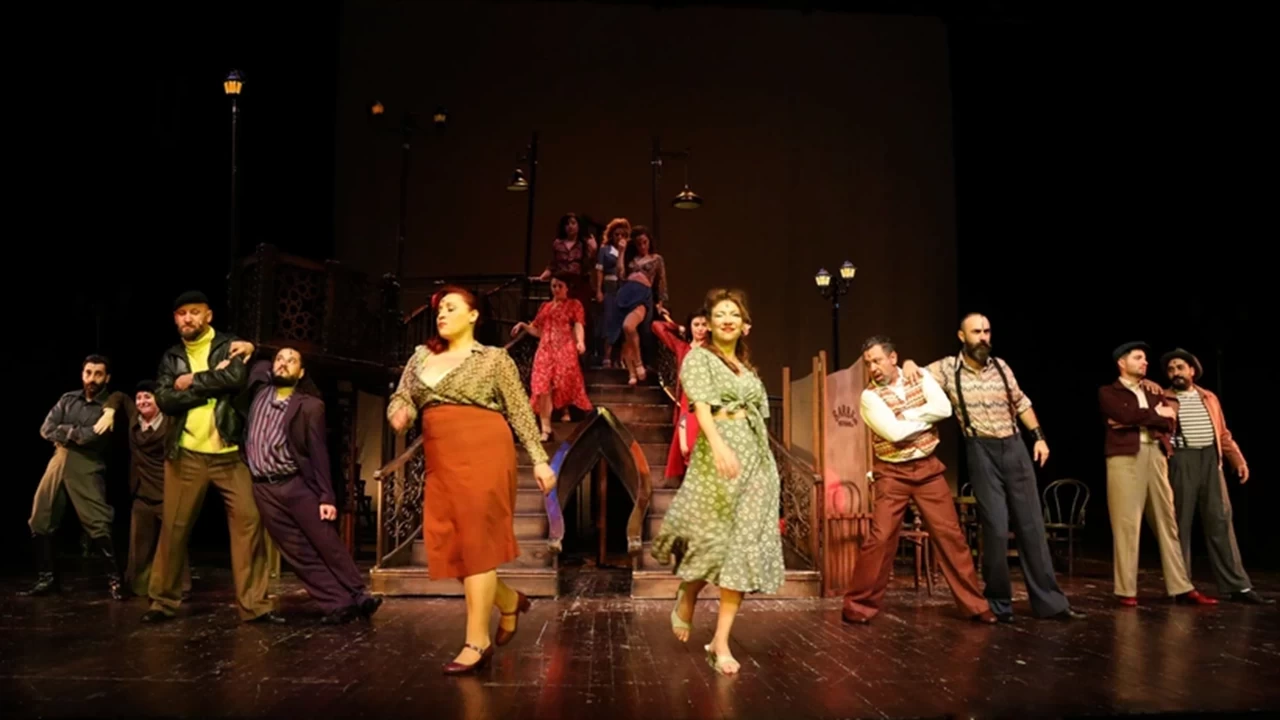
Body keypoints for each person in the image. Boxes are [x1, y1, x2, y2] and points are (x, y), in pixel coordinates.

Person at [388, 285, 556, 674]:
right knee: (451, 547)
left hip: (484, 450)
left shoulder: (493, 359)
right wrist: (400, 413)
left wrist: (540, 460)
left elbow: (519, 410)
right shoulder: (421, 356)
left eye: (451, 308)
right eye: (439, 309)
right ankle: (509, 600)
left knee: (478, 544)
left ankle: (477, 641)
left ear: (473, 315)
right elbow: (403, 396)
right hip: (441, 456)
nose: (442, 314)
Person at [900, 313, 1085, 622]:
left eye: (987, 331)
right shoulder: (948, 368)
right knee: (996, 528)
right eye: (976, 332)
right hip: (980, 449)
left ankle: (1051, 603)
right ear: (962, 336)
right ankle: (998, 602)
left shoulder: (1001, 367)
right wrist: (908, 363)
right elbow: (914, 372)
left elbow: (1022, 403)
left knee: (1031, 526)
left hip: (1014, 446)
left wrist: (1039, 438)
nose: (983, 337)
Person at [650, 289, 784, 676]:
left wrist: (765, 464)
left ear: (745, 326)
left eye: (734, 314)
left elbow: (757, 416)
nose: (727, 319)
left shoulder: (747, 370)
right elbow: (702, 409)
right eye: (720, 314)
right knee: (711, 542)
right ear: (708, 324)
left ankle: (720, 642)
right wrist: (719, 446)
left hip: (756, 461)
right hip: (718, 457)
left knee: (742, 548)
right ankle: (689, 591)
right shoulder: (699, 359)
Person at [141, 290, 280, 624]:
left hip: (229, 453)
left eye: (194, 311)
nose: (187, 318)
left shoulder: (230, 344)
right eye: (181, 314)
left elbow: (235, 378)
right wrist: (207, 388)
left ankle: (255, 605)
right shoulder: (171, 356)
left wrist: (191, 381)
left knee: (249, 524)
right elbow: (165, 400)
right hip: (186, 454)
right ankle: (162, 602)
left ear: (208, 315)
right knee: (173, 529)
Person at [842, 336, 995, 626]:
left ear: (893, 358)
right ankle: (858, 606)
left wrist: (907, 414)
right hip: (892, 472)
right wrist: (925, 418)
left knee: (951, 535)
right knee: (880, 538)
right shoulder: (869, 397)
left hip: (927, 468)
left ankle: (975, 605)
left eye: (877, 360)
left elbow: (944, 410)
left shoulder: (919, 376)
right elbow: (894, 433)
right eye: (868, 363)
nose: (873, 368)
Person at [243, 347, 384, 622]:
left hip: (296, 483)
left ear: (301, 373)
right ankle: (337, 604)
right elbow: (257, 364)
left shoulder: (309, 406)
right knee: (298, 552)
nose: (284, 364)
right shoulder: (258, 392)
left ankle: (360, 595)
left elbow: (319, 454)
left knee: (325, 541)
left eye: (292, 361)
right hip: (264, 487)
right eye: (279, 359)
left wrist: (326, 496)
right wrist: (254, 349)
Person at [1099, 341, 1216, 607]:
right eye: (1138, 358)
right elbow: (1122, 415)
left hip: (1156, 455)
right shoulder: (1108, 392)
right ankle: (1126, 590)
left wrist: (1140, 418)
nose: (1145, 362)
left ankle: (1181, 586)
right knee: (1127, 524)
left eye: (1145, 358)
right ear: (1122, 363)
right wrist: (1153, 414)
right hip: (1125, 458)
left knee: (1168, 521)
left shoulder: (1153, 391)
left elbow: (1170, 421)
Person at [1160, 348, 1271, 604]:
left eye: (1180, 367)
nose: (1175, 373)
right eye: (1171, 369)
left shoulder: (1209, 397)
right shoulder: (1163, 398)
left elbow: (1223, 433)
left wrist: (1237, 459)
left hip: (1211, 459)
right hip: (1182, 459)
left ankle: (1237, 586)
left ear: (1192, 371)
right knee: (1179, 523)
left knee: (1220, 519)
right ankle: (1181, 586)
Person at [23, 355, 127, 600]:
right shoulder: (68, 399)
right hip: (58, 460)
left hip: (87, 463)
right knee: (40, 517)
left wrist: (65, 431)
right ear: (82, 374)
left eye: (98, 374)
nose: (92, 379)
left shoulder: (108, 407)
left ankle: (115, 581)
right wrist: (74, 433)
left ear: (107, 378)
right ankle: (47, 579)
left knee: (97, 521)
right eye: (88, 373)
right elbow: (46, 428)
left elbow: (94, 437)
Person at [98, 381, 192, 598]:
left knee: (173, 541)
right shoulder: (135, 417)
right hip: (141, 490)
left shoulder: (169, 421)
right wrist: (109, 412)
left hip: (166, 490)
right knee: (139, 542)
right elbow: (119, 395)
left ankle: (180, 587)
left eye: (148, 397)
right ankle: (138, 586)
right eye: (139, 398)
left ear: (159, 400)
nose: (142, 402)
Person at [512, 272, 592, 440]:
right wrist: (523, 326)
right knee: (542, 387)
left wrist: (580, 341)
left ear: (567, 288)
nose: (556, 289)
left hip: (564, 349)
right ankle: (545, 429)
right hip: (545, 351)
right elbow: (538, 331)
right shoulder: (545, 307)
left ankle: (566, 411)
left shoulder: (574, 305)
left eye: (560, 286)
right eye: (553, 286)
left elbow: (578, 325)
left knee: (563, 383)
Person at [651, 308, 710, 480]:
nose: (700, 328)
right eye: (696, 324)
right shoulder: (682, 347)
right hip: (687, 400)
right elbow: (657, 326)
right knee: (686, 447)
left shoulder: (712, 349)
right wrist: (678, 328)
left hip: (707, 400)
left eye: (704, 325)